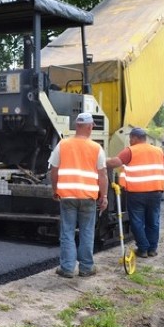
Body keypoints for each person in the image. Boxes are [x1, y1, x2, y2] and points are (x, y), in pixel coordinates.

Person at [49, 112, 109, 278]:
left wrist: (55, 189)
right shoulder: (96, 148)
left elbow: (54, 171)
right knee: (87, 232)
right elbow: (103, 174)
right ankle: (86, 268)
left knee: (67, 232)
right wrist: (103, 196)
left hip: (67, 196)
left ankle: (67, 268)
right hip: (88, 197)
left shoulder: (63, 144)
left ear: (76, 126)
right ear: (90, 127)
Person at [106, 127, 164, 258]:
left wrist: (100, 160)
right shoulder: (158, 151)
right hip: (156, 191)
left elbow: (114, 163)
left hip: (137, 193)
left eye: (130, 138)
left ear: (135, 138)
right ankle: (152, 249)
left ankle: (143, 249)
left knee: (137, 222)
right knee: (153, 221)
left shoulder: (130, 151)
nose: (129, 141)